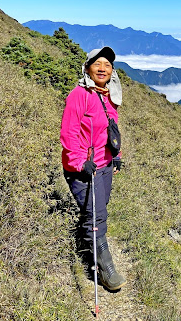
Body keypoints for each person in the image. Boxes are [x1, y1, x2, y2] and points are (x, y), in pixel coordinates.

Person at [60, 46, 126, 290]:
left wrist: (116, 155)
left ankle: (86, 240)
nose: (102, 68)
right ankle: (105, 269)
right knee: (97, 215)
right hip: (85, 167)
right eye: (97, 64)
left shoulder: (109, 95)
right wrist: (79, 162)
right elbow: (68, 133)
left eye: (107, 65)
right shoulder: (79, 95)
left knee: (97, 209)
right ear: (87, 68)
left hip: (105, 163)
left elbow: (111, 128)